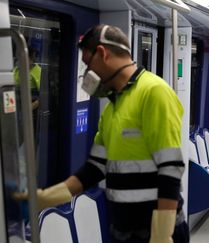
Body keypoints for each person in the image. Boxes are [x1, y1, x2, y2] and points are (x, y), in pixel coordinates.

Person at [18, 24, 189, 243]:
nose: (88, 74)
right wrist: (41, 199)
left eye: (88, 65)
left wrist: (162, 235)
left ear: (102, 54)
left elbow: (170, 170)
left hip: (157, 232)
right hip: (122, 230)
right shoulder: (112, 109)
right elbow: (93, 169)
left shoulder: (154, 92)